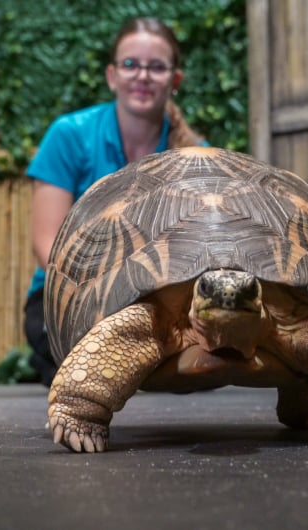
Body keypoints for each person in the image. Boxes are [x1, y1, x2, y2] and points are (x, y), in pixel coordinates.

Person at [24, 17, 207, 386]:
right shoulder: (69, 136)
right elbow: (46, 242)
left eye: (156, 67)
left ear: (175, 81)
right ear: (111, 76)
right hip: (71, 294)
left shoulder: (196, 157)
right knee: (82, 369)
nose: (142, 75)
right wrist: (104, 299)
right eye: (130, 64)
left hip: (162, 298)